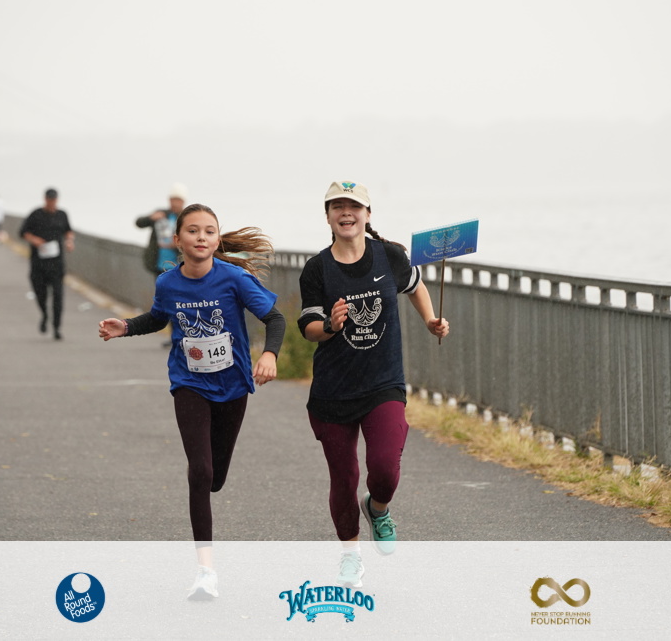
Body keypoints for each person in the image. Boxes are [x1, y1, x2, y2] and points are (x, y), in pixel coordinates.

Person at [98, 203, 285, 601]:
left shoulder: (234, 278)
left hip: (233, 385)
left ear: (217, 240)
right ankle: (205, 571)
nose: (201, 237)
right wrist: (126, 326)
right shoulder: (168, 282)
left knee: (215, 478)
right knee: (200, 472)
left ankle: (207, 482)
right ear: (177, 240)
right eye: (193, 231)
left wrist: (269, 355)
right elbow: (158, 318)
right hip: (189, 383)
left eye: (209, 231)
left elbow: (275, 318)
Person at [298, 181, 449, 587]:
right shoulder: (317, 269)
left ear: (367, 214)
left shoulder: (390, 255)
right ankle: (350, 556)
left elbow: (415, 286)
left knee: (384, 469)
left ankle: (378, 508)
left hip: (383, 383)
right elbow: (308, 328)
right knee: (344, 478)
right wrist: (331, 325)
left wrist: (430, 320)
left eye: (354, 206)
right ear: (327, 216)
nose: (346, 213)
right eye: (337, 207)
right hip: (333, 391)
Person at [20, 188, 74, 340]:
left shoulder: (62, 215)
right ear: (45, 199)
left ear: (57, 200)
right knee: (41, 294)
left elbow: (68, 231)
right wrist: (34, 240)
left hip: (57, 264)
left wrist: (70, 241)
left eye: (54, 200)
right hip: (39, 264)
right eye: (49, 199)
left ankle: (57, 328)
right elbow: (23, 232)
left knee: (58, 296)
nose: (52, 202)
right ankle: (44, 315)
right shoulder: (35, 214)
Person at [136, 183, 187, 276]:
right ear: (169, 200)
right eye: (173, 200)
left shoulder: (186, 218)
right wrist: (151, 218)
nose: (175, 203)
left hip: (178, 263)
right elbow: (139, 223)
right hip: (158, 263)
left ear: (183, 202)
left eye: (178, 200)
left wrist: (178, 245)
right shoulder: (160, 214)